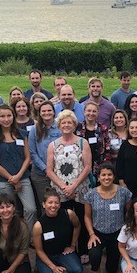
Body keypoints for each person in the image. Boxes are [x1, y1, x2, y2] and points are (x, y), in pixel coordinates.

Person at [46, 110, 93, 261]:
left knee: (82, 218)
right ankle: (67, 247)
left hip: (80, 189)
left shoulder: (82, 142)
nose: (66, 125)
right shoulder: (53, 145)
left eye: (69, 122)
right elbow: (49, 169)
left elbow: (87, 167)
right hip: (61, 191)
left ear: (74, 125)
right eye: (63, 122)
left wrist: (73, 186)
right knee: (65, 220)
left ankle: (83, 250)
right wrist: (63, 187)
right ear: (59, 125)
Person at [0, 104, 37, 233]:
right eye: (2, 116)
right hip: (3, 181)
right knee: (8, 212)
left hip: (23, 178)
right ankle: (11, 236)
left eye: (9, 115)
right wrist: (12, 179)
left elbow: (27, 158)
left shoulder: (22, 134)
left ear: (13, 117)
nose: (6, 119)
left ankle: (28, 236)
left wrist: (18, 177)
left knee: (31, 209)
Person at [84, 163, 132, 273]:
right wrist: (91, 234)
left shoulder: (124, 193)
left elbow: (129, 212)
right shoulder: (91, 195)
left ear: (114, 176)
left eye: (109, 174)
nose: (106, 178)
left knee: (111, 269)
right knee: (94, 254)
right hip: (98, 233)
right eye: (103, 175)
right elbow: (87, 216)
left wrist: (127, 231)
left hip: (117, 233)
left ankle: (110, 254)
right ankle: (96, 270)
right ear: (98, 178)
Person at [32, 188, 83, 273]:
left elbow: (77, 226)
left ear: (60, 204)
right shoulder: (38, 225)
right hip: (46, 256)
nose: (53, 206)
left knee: (77, 270)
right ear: (44, 204)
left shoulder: (68, 214)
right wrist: (53, 267)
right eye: (50, 202)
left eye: (56, 203)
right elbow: (39, 251)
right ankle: (43, 270)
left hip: (62, 253)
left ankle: (61, 268)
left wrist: (73, 245)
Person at [28, 101, 61, 207]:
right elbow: (32, 152)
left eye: (49, 110)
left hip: (59, 173)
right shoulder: (34, 129)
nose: (47, 113)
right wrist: (46, 169)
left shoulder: (60, 127)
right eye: (44, 111)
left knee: (58, 203)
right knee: (45, 204)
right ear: (40, 113)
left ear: (54, 112)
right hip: (40, 174)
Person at [116, 117, 137, 197]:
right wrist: (122, 184)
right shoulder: (125, 145)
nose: (134, 130)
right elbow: (119, 166)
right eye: (132, 128)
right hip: (127, 186)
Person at [77, 101, 111, 177]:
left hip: (99, 166)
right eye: (89, 111)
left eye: (94, 111)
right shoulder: (77, 128)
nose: (91, 113)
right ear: (84, 112)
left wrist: (105, 167)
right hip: (81, 167)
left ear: (98, 113)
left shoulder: (103, 129)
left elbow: (107, 148)